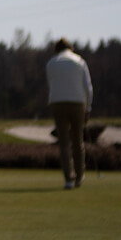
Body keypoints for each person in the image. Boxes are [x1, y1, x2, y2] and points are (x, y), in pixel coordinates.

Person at [46, 38, 94, 189]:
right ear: (70, 48)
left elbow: (51, 83)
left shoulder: (51, 63)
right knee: (77, 140)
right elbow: (88, 87)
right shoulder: (79, 61)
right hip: (78, 102)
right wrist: (88, 107)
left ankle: (69, 178)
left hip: (57, 103)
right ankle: (79, 176)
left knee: (64, 142)